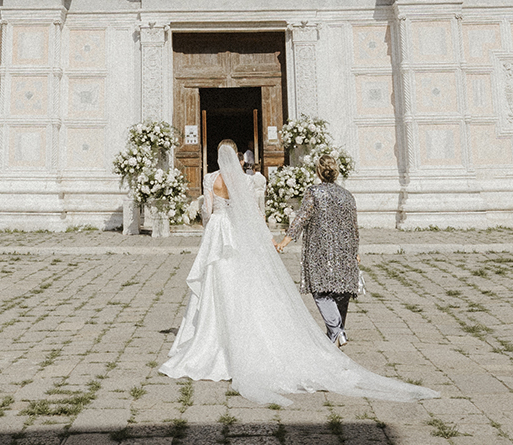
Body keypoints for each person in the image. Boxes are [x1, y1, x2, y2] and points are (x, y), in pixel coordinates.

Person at [159, 141, 436, 406]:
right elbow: (253, 213)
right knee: (249, 287)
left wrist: (223, 222)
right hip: (242, 237)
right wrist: (269, 238)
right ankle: (335, 329)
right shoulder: (245, 182)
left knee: (217, 285)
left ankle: (216, 338)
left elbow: (209, 213)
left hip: (220, 236)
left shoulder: (210, 180)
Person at [276, 155, 360, 345]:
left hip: (320, 249)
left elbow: (301, 218)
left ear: (319, 172)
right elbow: (353, 227)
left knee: (321, 291)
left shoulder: (314, 192)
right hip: (345, 249)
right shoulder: (347, 195)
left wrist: (285, 241)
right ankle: (338, 333)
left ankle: (337, 330)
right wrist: (355, 252)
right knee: (341, 291)